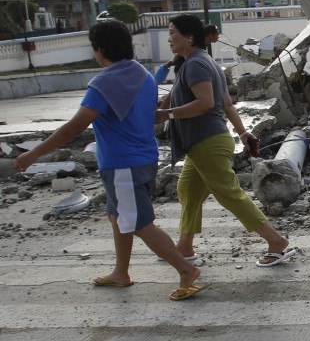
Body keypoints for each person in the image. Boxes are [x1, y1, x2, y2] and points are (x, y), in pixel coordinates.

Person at [13, 20, 208, 301]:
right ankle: (121, 272)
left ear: (100, 49)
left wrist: (34, 153)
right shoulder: (141, 74)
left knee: (139, 222)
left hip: (123, 164)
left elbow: (74, 127)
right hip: (143, 158)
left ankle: (185, 270)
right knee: (116, 215)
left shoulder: (105, 83)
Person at [155, 13, 295, 267]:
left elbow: (207, 103)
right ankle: (184, 247)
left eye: (172, 32)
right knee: (187, 190)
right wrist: (243, 133)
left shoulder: (197, 65)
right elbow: (226, 103)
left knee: (229, 194)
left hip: (206, 142)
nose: (169, 38)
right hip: (203, 143)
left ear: (189, 37)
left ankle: (276, 241)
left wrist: (167, 114)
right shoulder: (200, 62)